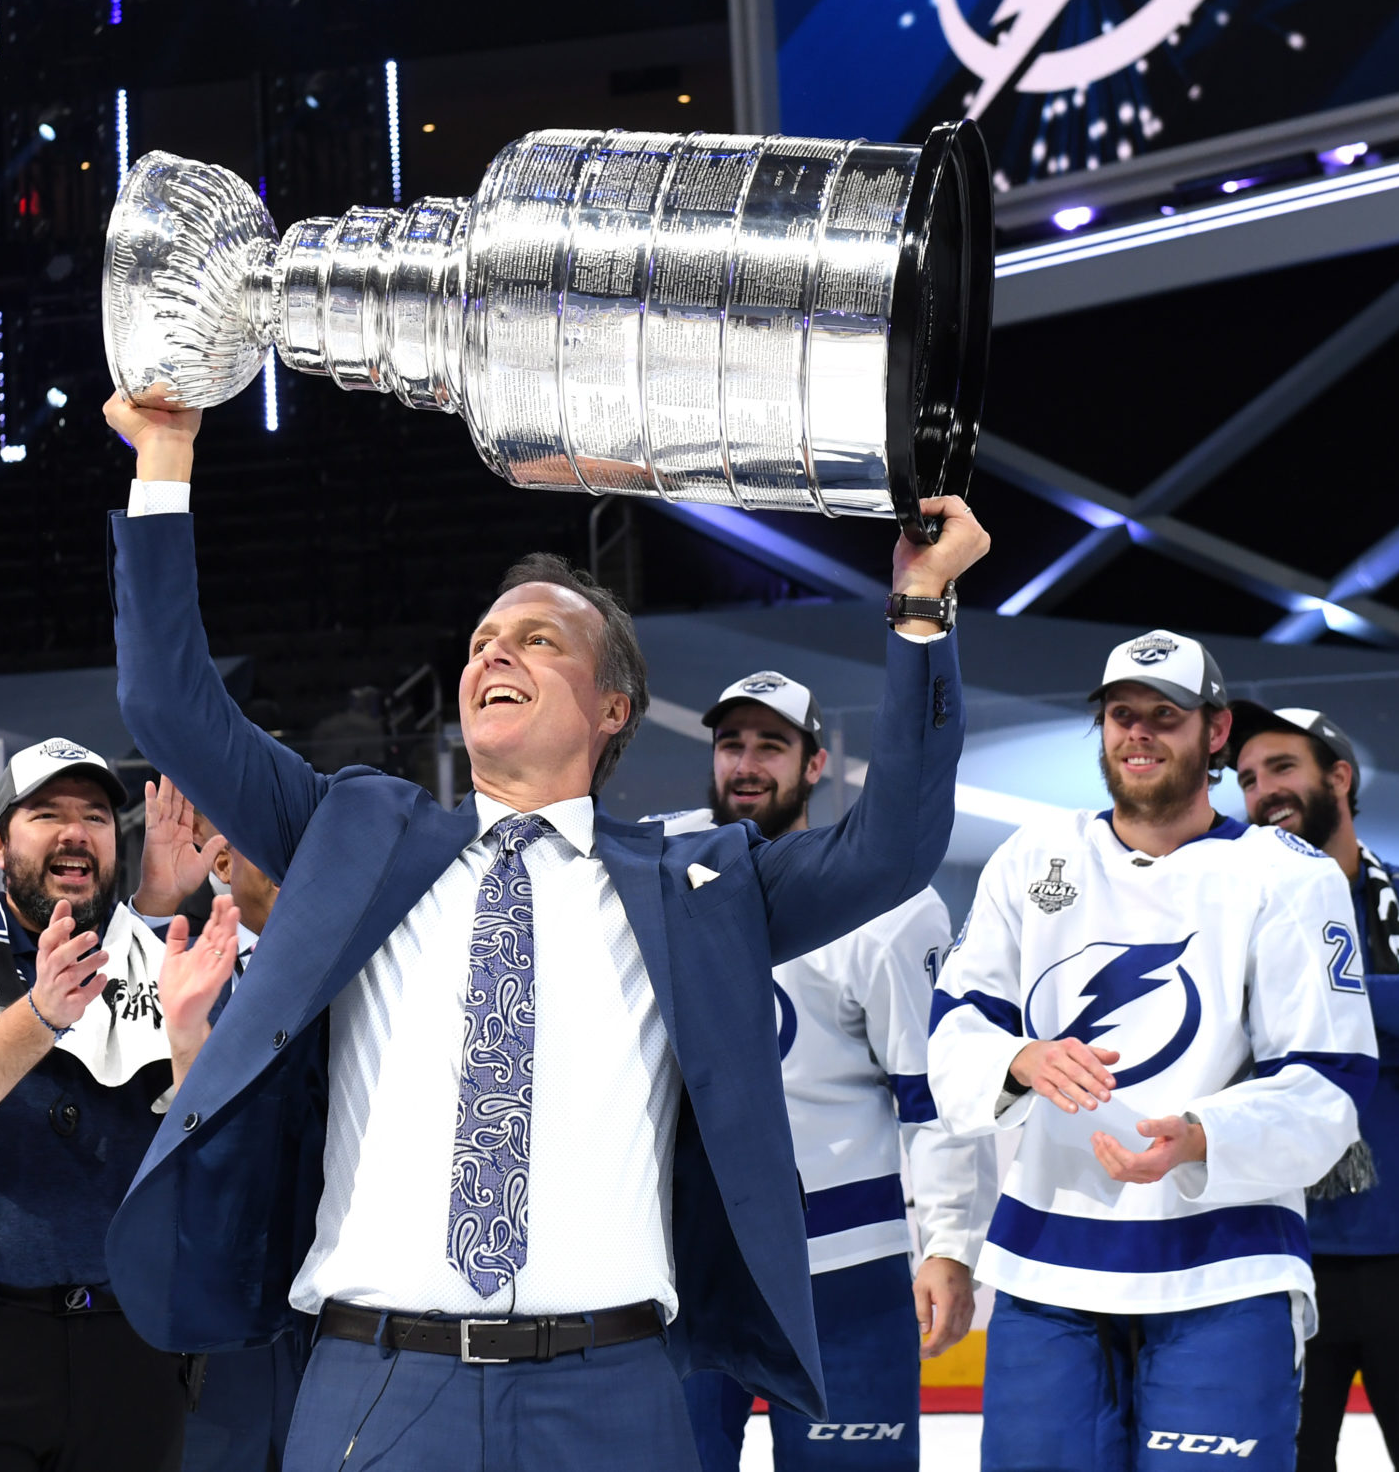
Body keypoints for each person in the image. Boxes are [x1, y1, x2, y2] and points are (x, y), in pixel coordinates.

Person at [98, 390, 984, 1471]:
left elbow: (891, 847)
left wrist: (921, 606)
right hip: (373, 1383)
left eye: (536, 638)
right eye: (479, 641)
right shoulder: (354, 830)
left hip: (612, 1393)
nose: (490, 654)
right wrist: (166, 459)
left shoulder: (694, 882)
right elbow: (169, 705)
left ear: (614, 708)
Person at [928, 630, 1377, 1472]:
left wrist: (1203, 1136)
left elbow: (1330, 1083)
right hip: (1046, 1267)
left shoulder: (1289, 876)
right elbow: (954, 1029)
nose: (1137, 734)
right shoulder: (1035, 857)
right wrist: (1020, 1059)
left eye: (1163, 717)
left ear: (1215, 733)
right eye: (1119, 715)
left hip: (1227, 1271)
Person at [662, 668, 997, 1470]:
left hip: (840, 1270)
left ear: (815, 765)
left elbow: (934, 1097)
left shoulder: (888, 901)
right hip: (684, 1268)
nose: (747, 763)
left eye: (771, 745)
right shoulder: (655, 871)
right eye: (731, 743)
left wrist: (950, 1245)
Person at [0, 736, 215, 1472]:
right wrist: (41, 1014)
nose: (75, 831)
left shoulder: (162, 963)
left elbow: (210, 1134)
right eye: (47, 813)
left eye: (93, 815)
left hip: (127, 1349)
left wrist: (156, 916)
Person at [1228, 705, 1399, 1472]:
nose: (1261, 792)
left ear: (1339, 777)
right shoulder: (1235, 912)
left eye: (1282, 768)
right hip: (1278, 1254)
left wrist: (1326, 997)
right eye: (1247, 779)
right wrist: (1378, 1001)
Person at [143, 783, 308, 1472]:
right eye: (254, 828)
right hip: (212, 1331)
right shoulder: (157, 967)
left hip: (329, 1317)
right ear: (219, 861)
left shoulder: (354, 963)